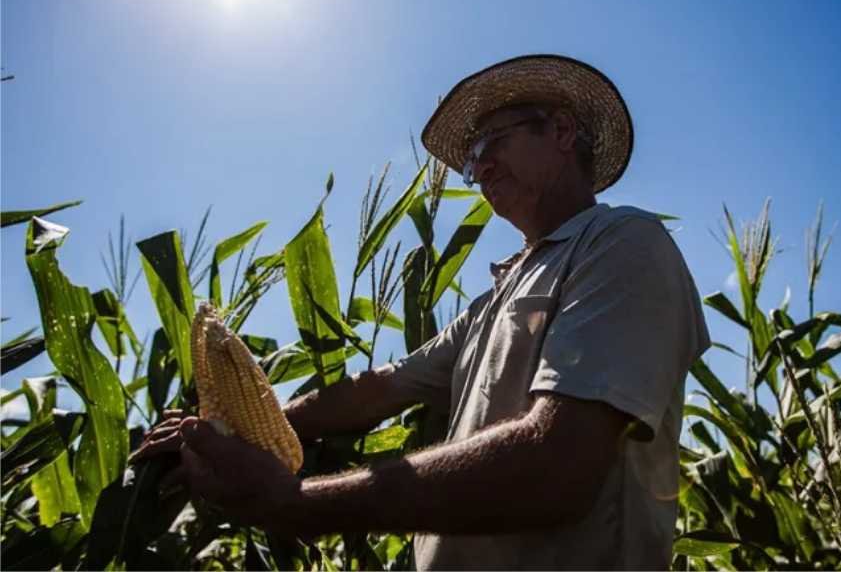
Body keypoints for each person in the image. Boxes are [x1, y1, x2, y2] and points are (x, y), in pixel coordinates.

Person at [132, 54, 711, 570]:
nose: (480, 169)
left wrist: (296, 505)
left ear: (561, 130)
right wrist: (244, 422)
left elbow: (558, 466)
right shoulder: (497, 297)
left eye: (492, 143)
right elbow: (381, 388)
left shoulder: (622, 245)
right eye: (471, 161)